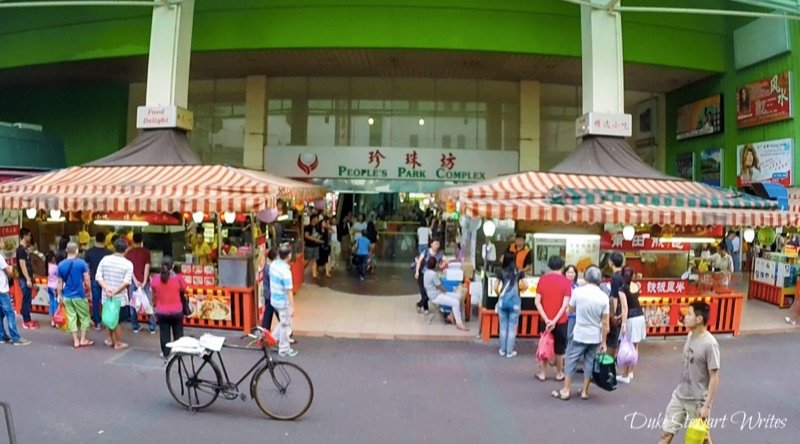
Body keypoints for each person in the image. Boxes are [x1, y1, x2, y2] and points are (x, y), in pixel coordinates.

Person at [658, 301, 720, 444]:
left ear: (699, 319)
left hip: (697, 402)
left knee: (702, 439)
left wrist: (707, 406)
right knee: (666, 434)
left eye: (689, 314)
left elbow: (715, 377)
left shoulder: (710, 344)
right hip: (679, 396)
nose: (685, 317)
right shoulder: (690, 336)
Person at [552, 265, 609, 401]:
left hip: (579, 332)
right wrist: (604, 342)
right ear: (600, 280)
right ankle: (584, 391)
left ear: (585, 277)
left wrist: (570, 311)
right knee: (589, 362)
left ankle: (566, 390)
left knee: (571, 359)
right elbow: (605, 322)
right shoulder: (603, 297)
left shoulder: (578, 292)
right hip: (594, 335)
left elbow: (570, 310)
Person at [535, 255, 572, 381]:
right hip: (561, 321)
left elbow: (537, 302)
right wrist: (555, 320)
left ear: (549, 266)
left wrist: (547, 319)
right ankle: (559, 373)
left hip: (544, 320)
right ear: (562, 266)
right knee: (560, 349)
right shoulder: (566, 282)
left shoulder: (542, 280)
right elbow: (565, 304)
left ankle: (542, 373)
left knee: (544, 344)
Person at [96, 239, 134, 350]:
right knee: (117, 321)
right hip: (120, 297)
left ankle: (109, 339)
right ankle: (117, 343)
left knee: (109, 318)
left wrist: (106, 288)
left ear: (114, 247)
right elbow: (126, 282)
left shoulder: (105, 260)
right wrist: (115, 291)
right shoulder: (128, 264)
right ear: (126, 249)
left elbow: (98, 277)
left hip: (106, 295)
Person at [57, 242, 94, 348]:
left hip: (67, 296)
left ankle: (75, 340)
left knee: (71, 317)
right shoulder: (82, 263)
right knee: (85, 317)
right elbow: (87, 279)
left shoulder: (61, 265)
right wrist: (90, 291)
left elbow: (59, 282)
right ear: (77, 251)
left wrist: (59, 295)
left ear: (66, 251)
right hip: (80, 295)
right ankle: (83, 339)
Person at [151, 256, 186, 359]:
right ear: (173, 266)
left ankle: (166, 354)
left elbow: (153, 289)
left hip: (162, 311)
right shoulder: (178, 278)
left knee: (164, 333)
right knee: (178, 332)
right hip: (177, 311)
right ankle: (179, 352)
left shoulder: (156, 279)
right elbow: (185, 288)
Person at [423, 256, 469, 331]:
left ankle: (451, 315)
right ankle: (459, 323)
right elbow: (440, 286)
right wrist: (447, 292)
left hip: (435, 294)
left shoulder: (426, 272)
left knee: (458, 297)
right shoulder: (433, 274)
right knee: (455, 302)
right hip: (436, 296)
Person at [617, 266, 646, 384]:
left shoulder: (622, 289)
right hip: (640, 316)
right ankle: (631, 372)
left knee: (627, 346)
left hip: (631, 319)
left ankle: (625, 374)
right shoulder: (636, 286)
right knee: (635, 346)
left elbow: (625, 307)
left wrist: (623, 324)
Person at [270, 245, 298, 357]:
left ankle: (272, 339)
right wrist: (292, 306)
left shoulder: (273, 265)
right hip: (282, 301)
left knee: (283, 322)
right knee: (285, 325)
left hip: (274, 299)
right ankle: (284, 348)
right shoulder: (286, 271)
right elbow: (289, 291)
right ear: (289, 255)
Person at [495, 251, 524, 357]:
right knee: (512, 327)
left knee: (503, 327)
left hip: (503, 302)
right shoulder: (519, 272)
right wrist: (519, 291)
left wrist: (500, 295)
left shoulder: (500, 271)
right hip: (515, 302)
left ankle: (502, 350)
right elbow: (525, 285)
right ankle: (509, 351)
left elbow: (495, 287)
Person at [126, 232, 156, 334]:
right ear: (142, 241)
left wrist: (135, 280)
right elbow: (147, 267)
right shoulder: (146, 252)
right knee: (148, 303)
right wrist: (143, 281)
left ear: (133, 241)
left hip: (133, 282)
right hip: (145, 282)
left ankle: (135, 326)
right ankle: (152, 326)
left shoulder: (129, 253)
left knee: (133, 304)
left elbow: (129, 269)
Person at [0, 251, 31, 346]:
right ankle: (15, 338)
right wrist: (11, 269)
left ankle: (1, 336)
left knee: (0, 314)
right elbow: (9, 272)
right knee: (10, 313)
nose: (3, 243)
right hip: (2, 289)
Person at [84, 232, 111, 330]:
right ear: (104, 240)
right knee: (107, 301)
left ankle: (97, 323)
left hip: (94, 279)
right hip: (106, 280)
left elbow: (86, 267)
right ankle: (108, 321)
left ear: (95, 240)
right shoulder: (109, 253)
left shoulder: (89, 252)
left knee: (95, 301)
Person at [607, 252, 628, 357]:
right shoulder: (624, 276)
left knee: (612, 337)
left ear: (610, 263)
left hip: (617, 310)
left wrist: (613, 315)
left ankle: (610, 361)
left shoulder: (615, 278)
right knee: (617, 337)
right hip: (623, 310)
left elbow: (614, 298)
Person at [415, 239, 445, 313]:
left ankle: (419, 304)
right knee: (424, 292)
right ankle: (425, 308)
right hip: (423, 274)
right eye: (435, 244)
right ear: (431, 244)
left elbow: (446, 260)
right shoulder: (426, 251)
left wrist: (442, 265)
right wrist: (417, 272)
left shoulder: (439, 253)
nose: (436, 246)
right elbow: (419, 261)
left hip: (432, 276)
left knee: (430, 292)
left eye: (438, 244)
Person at [16, 228, 38, 329]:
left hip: (27, 278)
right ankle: (26, 320)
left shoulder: (25, 249)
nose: (30, 237)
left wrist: (31, 278)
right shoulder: (20, 250)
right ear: (24, 236)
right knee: (26, 299)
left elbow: (28, 265)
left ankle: (28, 318)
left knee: (28, 298)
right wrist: (28, 279)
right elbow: (22, 265)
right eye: (29, 235)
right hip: (24, 279)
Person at [261, 249, 280, 330]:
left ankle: (264, 331)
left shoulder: (268, 266)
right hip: (272, 294)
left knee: (268, 314)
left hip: (269, 294)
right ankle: (287, 332)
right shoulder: (270, 268)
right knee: (277, 313)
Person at [303, 214, 322, 279]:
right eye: (316, 218)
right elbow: (306, 236)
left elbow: (319, 234)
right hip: (309, 246)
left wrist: (319, 238)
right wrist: (316, 239)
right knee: (308, 260)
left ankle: (314, 274)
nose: (317, 220)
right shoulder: (308, 227)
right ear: (313, 219)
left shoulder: (317, 227)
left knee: (315, 260)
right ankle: (301, 270)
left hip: (316, 246)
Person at [46, 251, 59, 328]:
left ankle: (52, 320)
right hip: (55, 287)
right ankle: (56, 321)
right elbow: (59, 278)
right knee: (56, 304)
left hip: (49, 286)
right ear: (53, 258)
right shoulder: (55, 267)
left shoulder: (46, 266)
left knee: (51, 303)